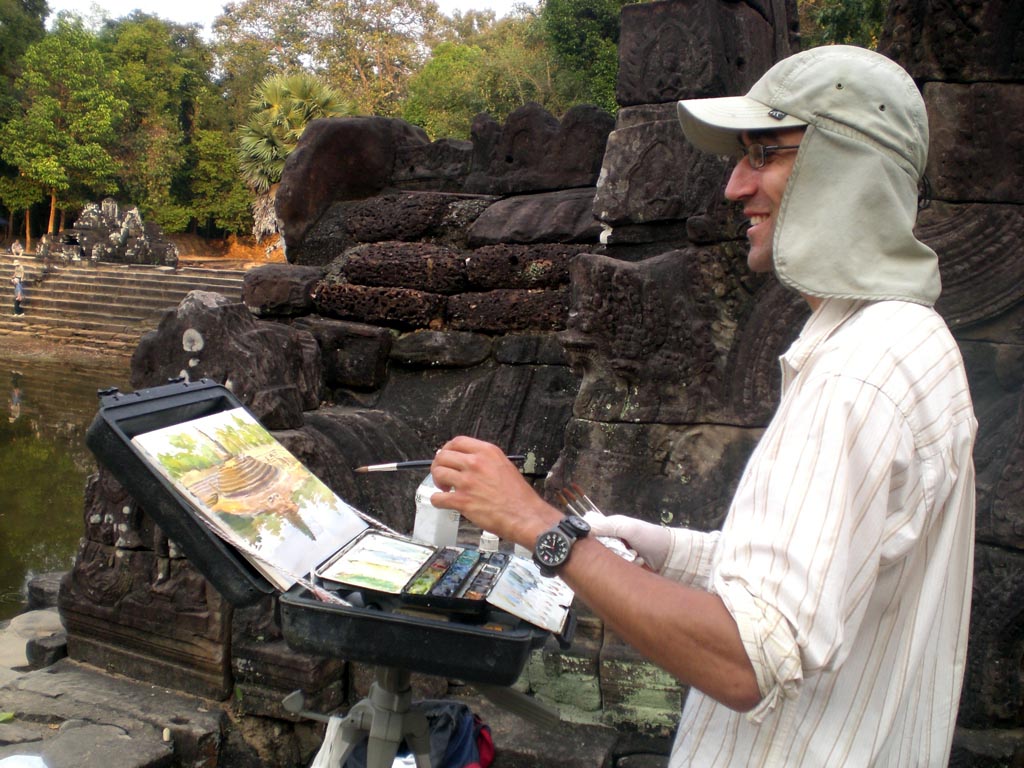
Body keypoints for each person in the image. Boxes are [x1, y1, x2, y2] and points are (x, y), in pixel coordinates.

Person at [430, 45, 977, 766]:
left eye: (763, 154)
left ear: (846, 167)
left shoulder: (858, 374)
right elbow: (825, 575)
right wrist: (666, 551)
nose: (733, 187)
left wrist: (538, 528)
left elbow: (746, 659)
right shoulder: (901, 339)